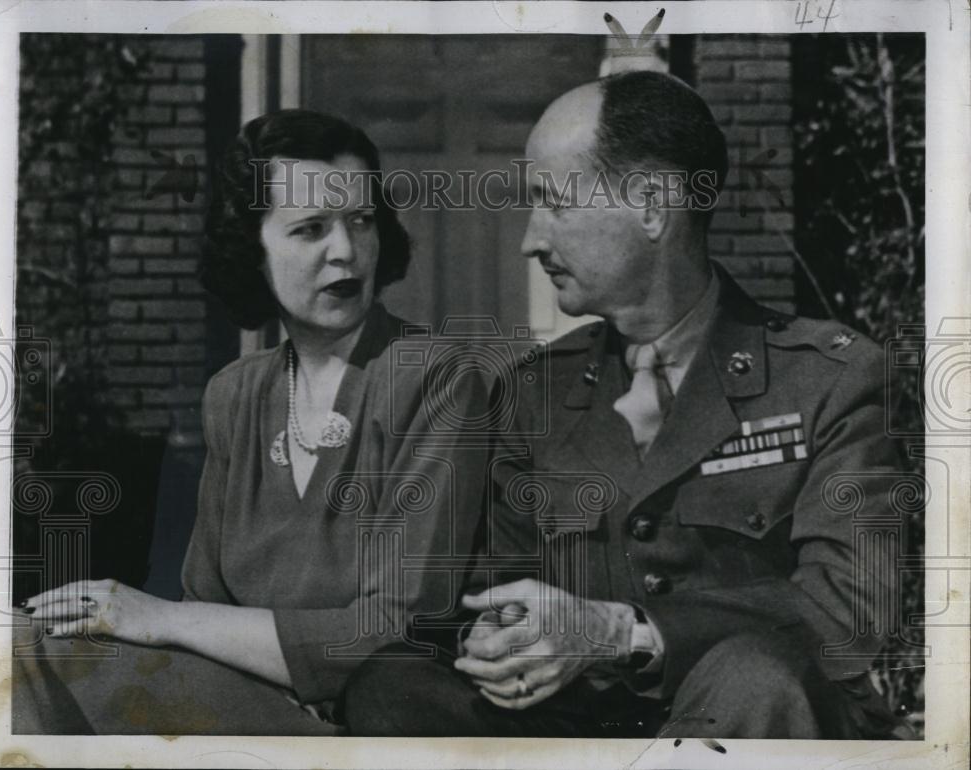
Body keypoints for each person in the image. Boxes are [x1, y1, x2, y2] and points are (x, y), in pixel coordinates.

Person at [344, 71, 902, 739]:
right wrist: (500, 637)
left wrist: (620, 632)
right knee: (393, 687)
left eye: (554, 203)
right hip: (582, 730)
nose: (530, 240)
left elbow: (847, 611)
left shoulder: (830, 378)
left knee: (756, 677)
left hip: (752, 725)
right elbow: (490, 589)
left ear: (652, 205)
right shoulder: (532, 391)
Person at [11, 110, 488, 735]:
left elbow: (395, 630)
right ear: (252, 251)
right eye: (310, 228)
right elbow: (204, 599)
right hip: (245, 700)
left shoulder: (437, 378)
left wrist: (159, 618)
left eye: (361, 221)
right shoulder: (234, 394)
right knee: (8, 641)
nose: (345, 251)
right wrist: (170, 625)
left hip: (367, 722)